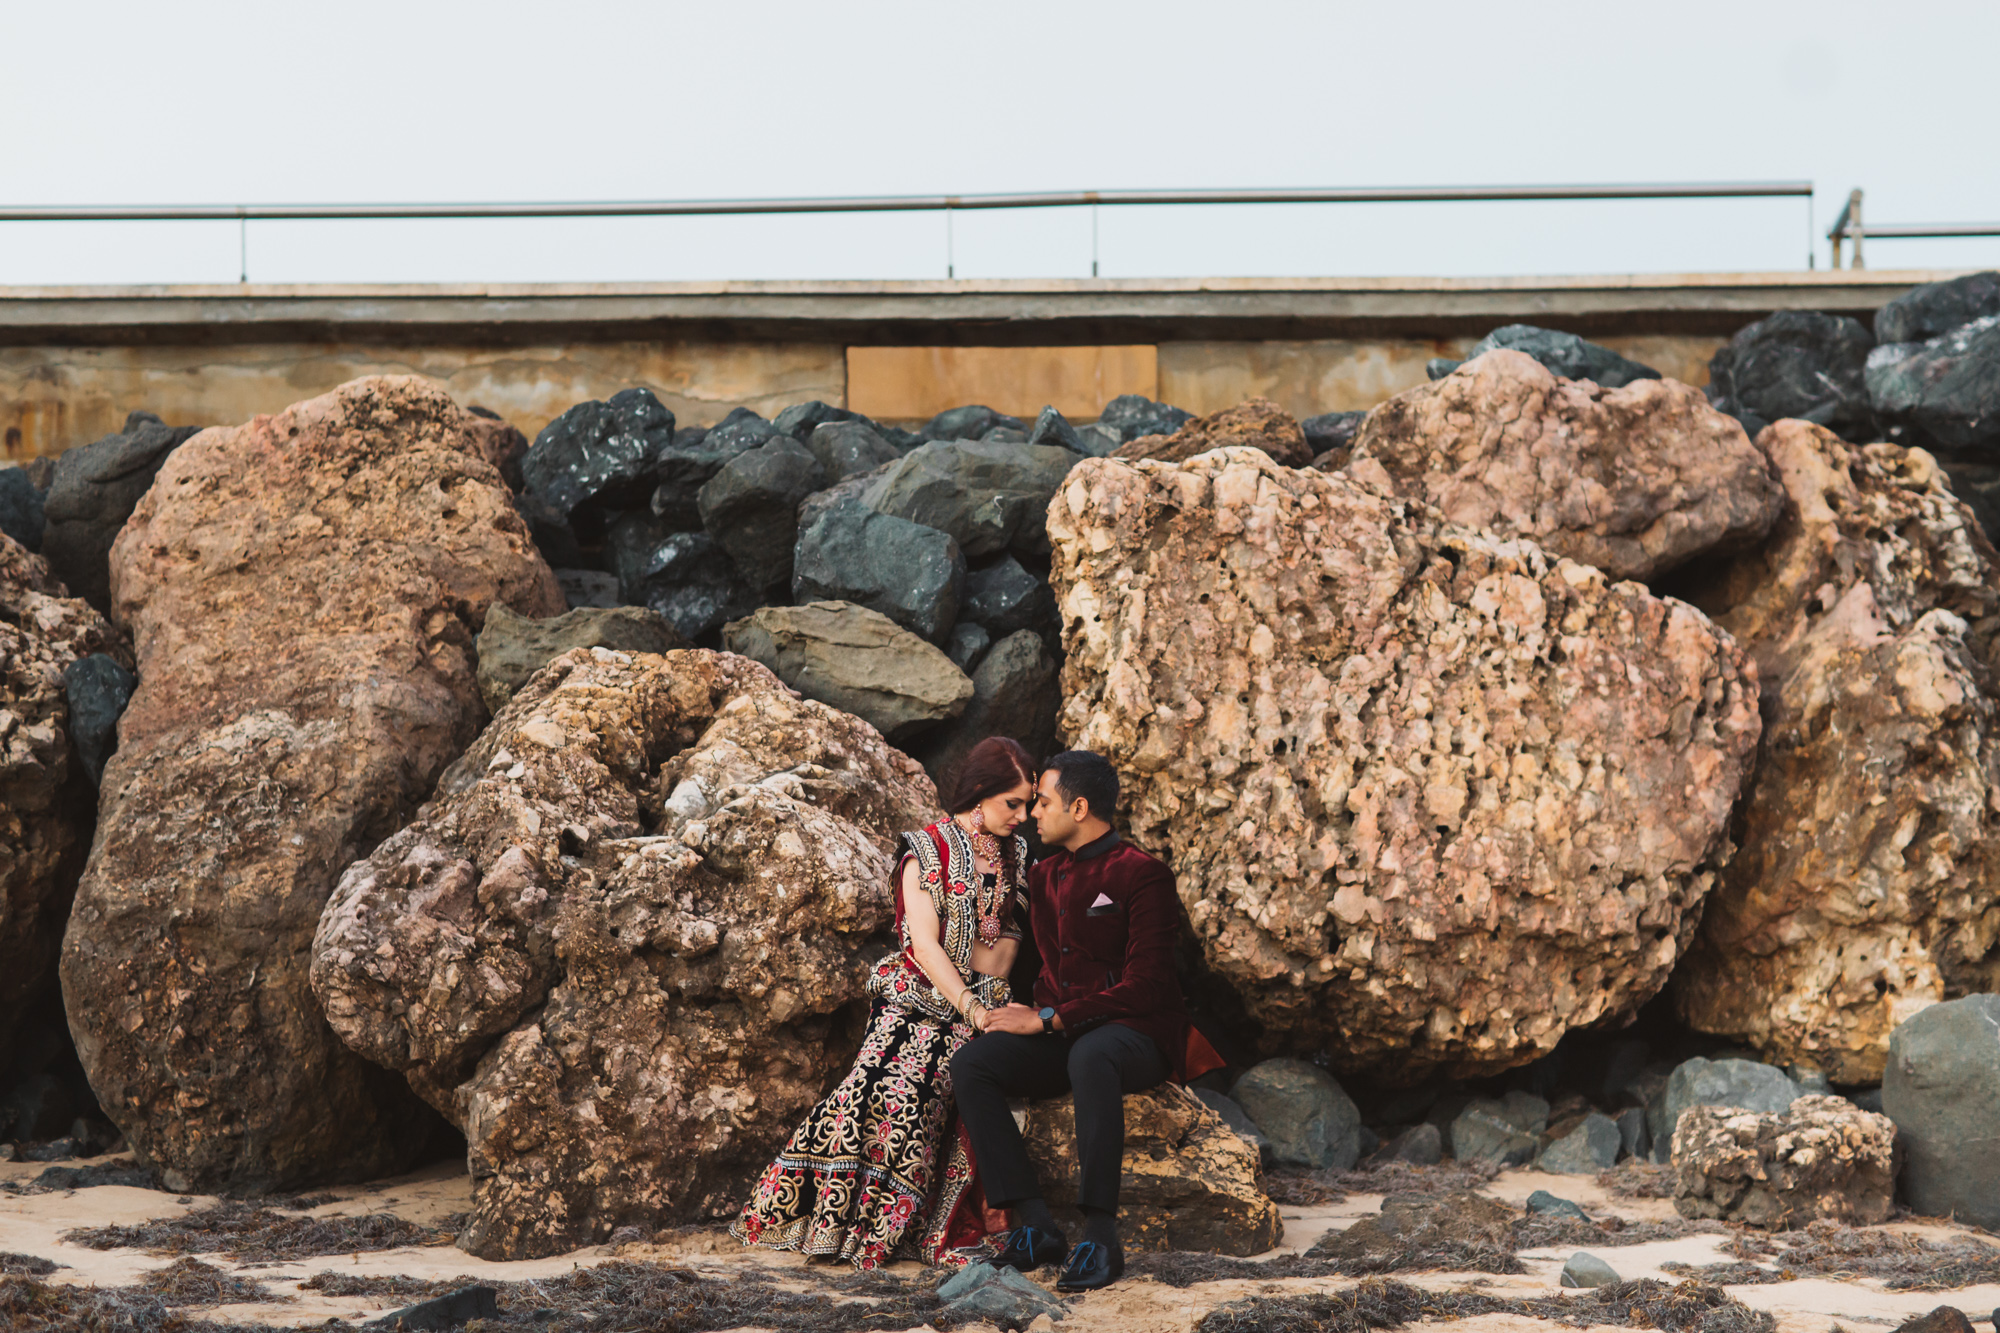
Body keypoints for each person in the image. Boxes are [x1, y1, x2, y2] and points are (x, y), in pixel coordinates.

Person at [732, 737, 1037, 1269]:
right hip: (922, 997)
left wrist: (992, 1010)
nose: (1024, 815)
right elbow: (923, 944)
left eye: (1030, 803)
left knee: (943, 1085)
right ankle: (830, 1221)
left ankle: (925, 1226)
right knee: (878, 1091)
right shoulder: (926, 849)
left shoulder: (1021, 855)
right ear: (982, 794)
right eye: (1014, 802)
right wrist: (969, 1006)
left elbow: (1009, 942)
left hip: (988, 1005)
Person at [947, 749, 1193, 1293]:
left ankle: (1101, 1237)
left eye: (1044, 802)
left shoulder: (1143, 874)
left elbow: (1149, 985)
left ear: (1079, 807)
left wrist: (1051, 1020)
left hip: (1138, 1035)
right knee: (973, 1064)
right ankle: (1036, 1226)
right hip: (1065, 1032)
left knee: (1093, 1052)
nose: (1034, 813)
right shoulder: (1044, 873)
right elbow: (1033, 962)